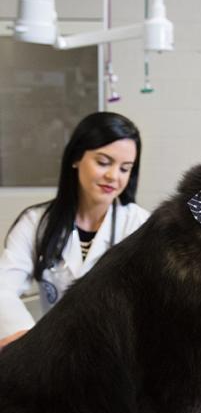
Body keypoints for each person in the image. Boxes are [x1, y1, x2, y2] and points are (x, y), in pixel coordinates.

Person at [0, 112, 150, 348]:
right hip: (50, 353)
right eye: (103, 162)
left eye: (125, 168)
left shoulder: (140, 225)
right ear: (76, 158)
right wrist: (25, 340)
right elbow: (3, 287)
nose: (113, 176)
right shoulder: (36, 222)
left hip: (115, 357)